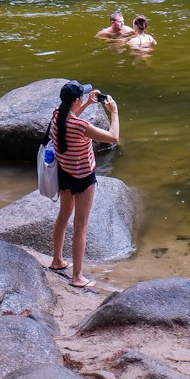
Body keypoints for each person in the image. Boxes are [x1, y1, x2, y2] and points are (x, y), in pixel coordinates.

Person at [47, 80, 120, 289]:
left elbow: (71, 114)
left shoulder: (56, 114)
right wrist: (114, 112)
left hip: (65, 175)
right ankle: (77, 276)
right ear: (75, 100)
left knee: (63, 216)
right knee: (81, 226)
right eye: (82, 97)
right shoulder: (80, 126)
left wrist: (88, 102)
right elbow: (113, 137)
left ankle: (57, 260)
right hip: (83, 178)